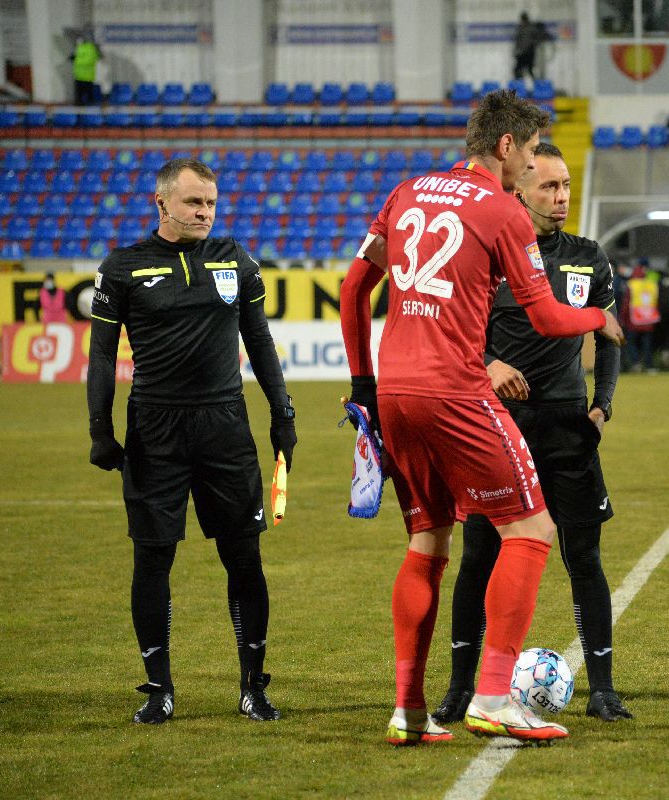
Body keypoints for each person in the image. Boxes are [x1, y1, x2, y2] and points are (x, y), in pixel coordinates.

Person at [338, 90, 625, 746]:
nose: (529, 167)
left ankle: (408, 713)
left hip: (395, 393)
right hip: (456, 392)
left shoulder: (407, 191)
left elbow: (356, 288)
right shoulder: (502, 211)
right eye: (528, 154)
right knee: (531, 529)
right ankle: (494, 697)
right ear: (505, 146)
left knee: (428, 543)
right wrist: (597, 319)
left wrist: (363, 385)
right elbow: (550, 317)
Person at [87, 158, 297, 725]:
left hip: (224, 427)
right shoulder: (122, 268)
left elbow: (260, 341)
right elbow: (103, 355)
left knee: (244, 556)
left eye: (210, 203)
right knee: (153, 558)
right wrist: (100, 429)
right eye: (193, 203)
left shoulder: (236, 259)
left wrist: (283, 416)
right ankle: (158, 689)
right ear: (162, 205)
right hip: (154, 429)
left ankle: (254, 685)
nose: (204, 213)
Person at [429, 142, 632, 726]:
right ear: (519, 189)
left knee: (583, 555)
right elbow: (452, 330)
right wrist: (489, 361)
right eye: (548, 186)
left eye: (566, 186)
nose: (561, 196)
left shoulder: (588, 256)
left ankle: (603, 688)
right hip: (495, 425)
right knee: (479, 556)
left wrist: (603, 405)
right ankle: (461, 686)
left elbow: (610, 334)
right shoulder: (487, 252)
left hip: (568, 424)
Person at [71, 31, 102, 105]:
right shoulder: (79, 47)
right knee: (78, 101)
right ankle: (79, 116)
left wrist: (75, 60)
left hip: (87, 78)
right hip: (78, 77)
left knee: (89, 101)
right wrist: (74, 58)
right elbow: (76, 57)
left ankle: (89, 115)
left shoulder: (91, 48)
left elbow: (88, 61)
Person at [513, 12, 543, 81]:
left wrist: (532, 45)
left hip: (529, 53)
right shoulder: (521, 28)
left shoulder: (531, 28)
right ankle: (519, 85)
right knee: (517, 70)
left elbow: (538, 39)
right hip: (522, 53)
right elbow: (517, 40)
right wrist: (516, 50)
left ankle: (536, 87)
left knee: (530, 70)